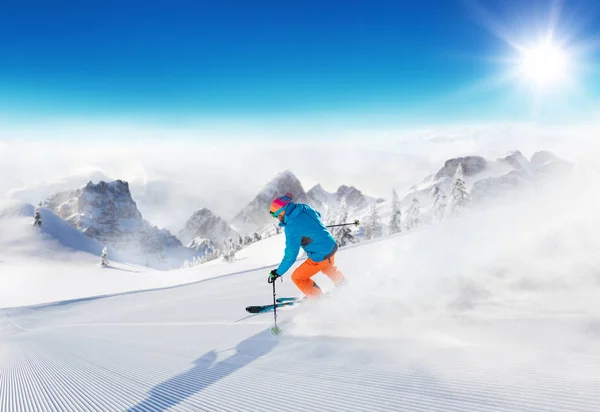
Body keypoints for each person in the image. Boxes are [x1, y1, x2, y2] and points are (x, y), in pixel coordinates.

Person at [268, 192, 345, 298]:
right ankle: (345, 286)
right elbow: (318, 215)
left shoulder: (291, 228)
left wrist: (278, 272)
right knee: (328, 268)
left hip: (320, 255)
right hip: (331, 246)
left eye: (277, 215)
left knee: (297, 277)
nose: (277, 218)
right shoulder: (305, 207)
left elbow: (291, 255)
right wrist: (310, 226)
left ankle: (319, 298)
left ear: (284, 210)